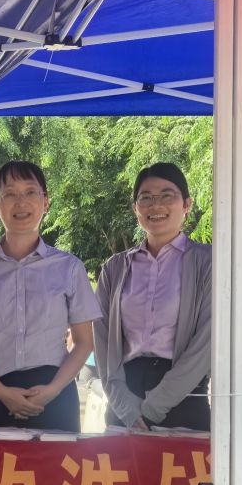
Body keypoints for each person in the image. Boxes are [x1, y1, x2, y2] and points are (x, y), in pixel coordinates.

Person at [0, 161, 100, 433]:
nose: (21, 202)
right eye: (10, 193)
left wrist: (52, 390)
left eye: (30, 192)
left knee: (57, 463)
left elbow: (84, 342)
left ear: (45, 202)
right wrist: (2, 393)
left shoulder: (69, 268)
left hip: (55, 397)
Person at [96, 162, 214, 431]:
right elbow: (102, 342)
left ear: (186, 204)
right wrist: (126, 408)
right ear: (135, 209)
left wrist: (154, 408)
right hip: (124, 400)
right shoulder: (114, 268)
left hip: (184, 399)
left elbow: (206, 342)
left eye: (167, 196)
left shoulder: (208, 262)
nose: (156, 205)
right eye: (146, 198)